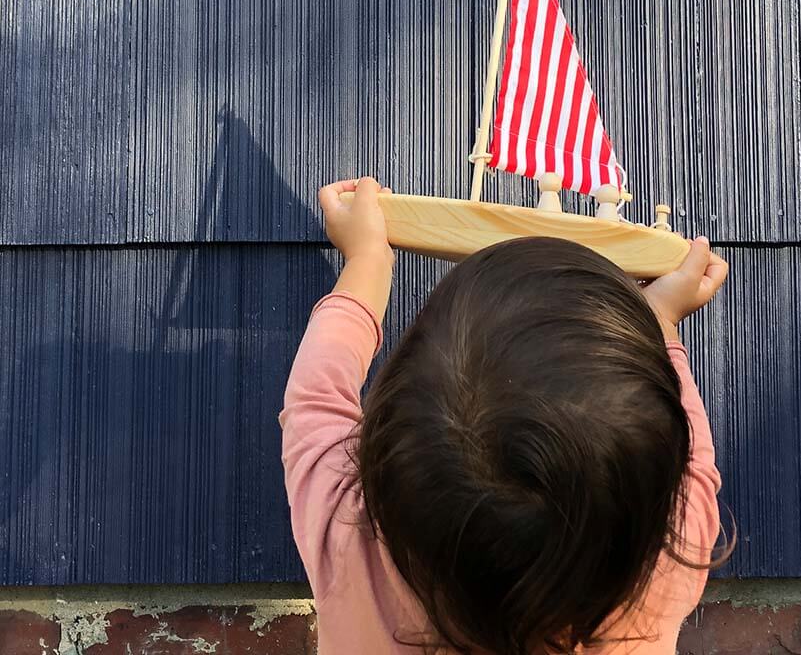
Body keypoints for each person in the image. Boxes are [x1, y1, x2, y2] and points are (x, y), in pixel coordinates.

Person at [280, 177, 731, 655]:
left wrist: (368, 261)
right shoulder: (666, 561)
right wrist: (660, 322)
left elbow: (315, 398)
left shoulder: (346, 532)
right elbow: (693, 463)